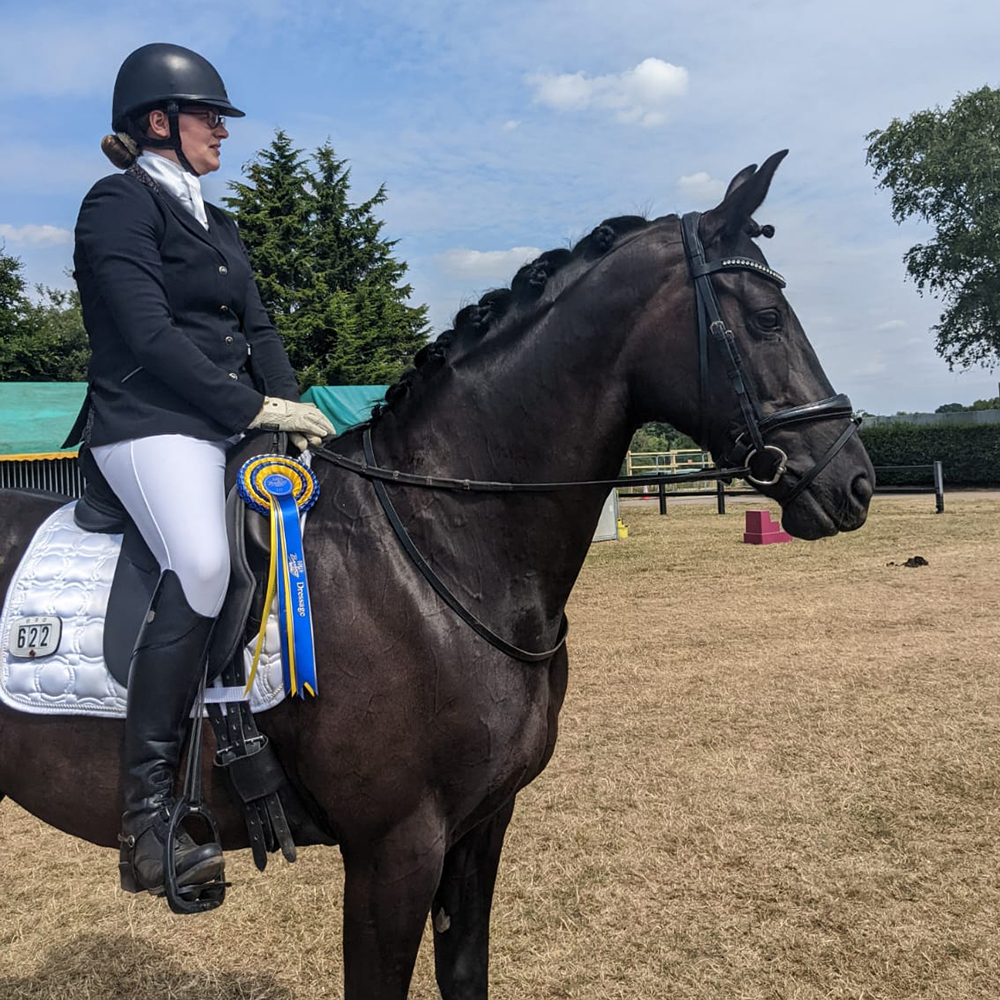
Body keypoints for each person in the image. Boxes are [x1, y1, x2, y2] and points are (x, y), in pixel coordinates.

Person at [64, 42, 336, 900]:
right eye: (209, 116)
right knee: (206, 562)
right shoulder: (116, 205)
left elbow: (260, 334)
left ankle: (255, 732)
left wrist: (293, 417)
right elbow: (148, 337)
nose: (222, 131)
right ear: (159, 122)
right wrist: (247, 410)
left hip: (228, 426)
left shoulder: (220, 225)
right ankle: (145, 814)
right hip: (148, 424)